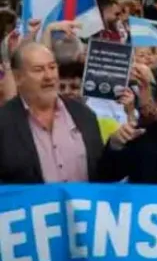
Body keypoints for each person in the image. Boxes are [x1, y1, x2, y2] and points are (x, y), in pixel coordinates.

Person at [0, 42, 103, 184]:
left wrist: (116, 146)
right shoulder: (4, 122)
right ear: (18, 78)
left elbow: (103, 173)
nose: (49, 76)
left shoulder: (85, 115)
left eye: (52, 67)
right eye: (38, 70)